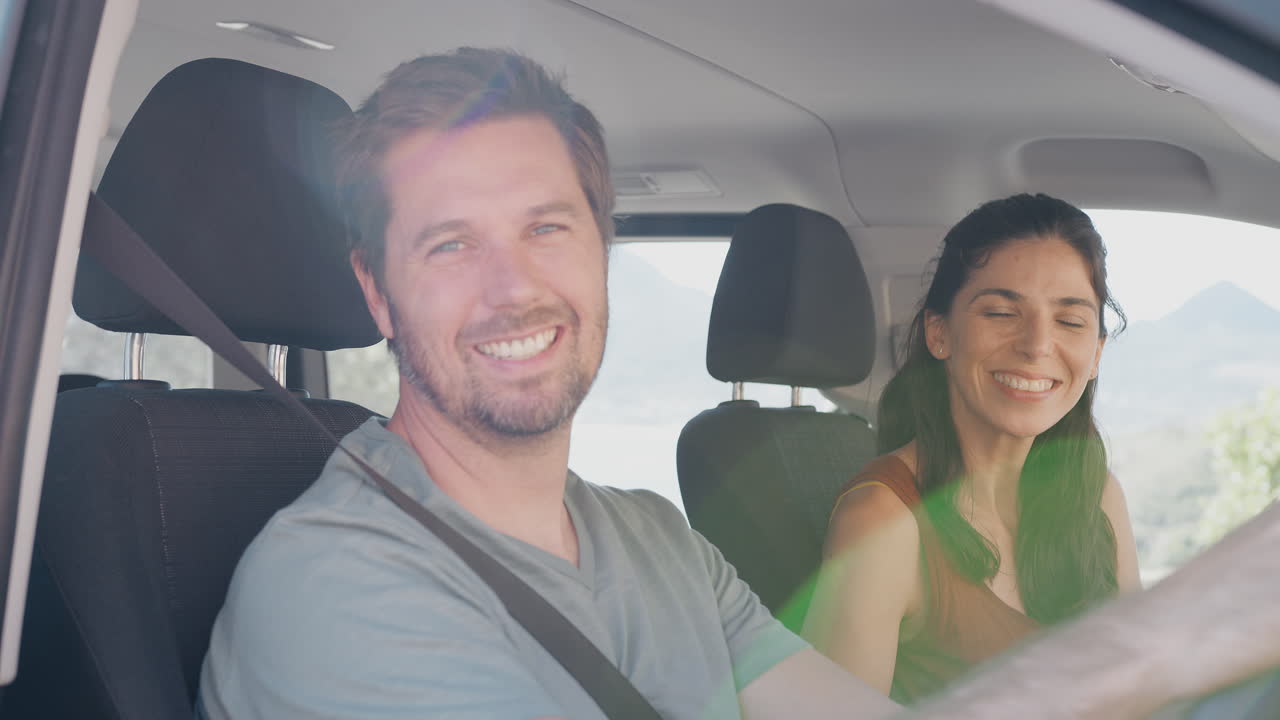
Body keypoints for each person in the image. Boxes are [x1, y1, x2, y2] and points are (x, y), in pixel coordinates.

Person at [198, 48, 1280, 720]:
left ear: (599, 252)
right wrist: (1163, 642)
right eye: (449, 244)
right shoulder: (334, 588)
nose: (513, 287)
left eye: (546, 228)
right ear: (377, 294)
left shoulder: (657, 542)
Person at [804, 194, 1142, 703]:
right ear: (939, 333)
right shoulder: (881, 521)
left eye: (1070, 321)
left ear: (1095, 354)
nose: (1036, 345)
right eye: (1002, 312)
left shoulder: (1096, 495)